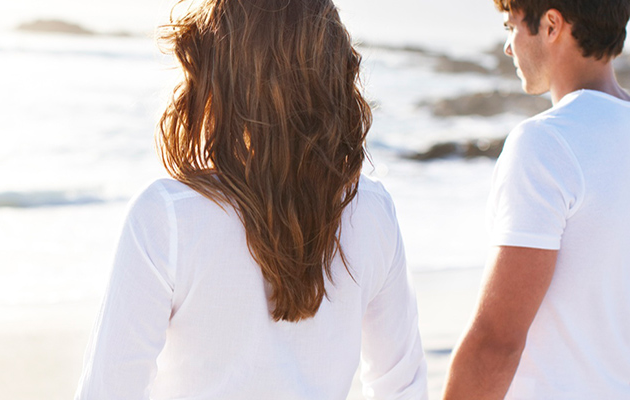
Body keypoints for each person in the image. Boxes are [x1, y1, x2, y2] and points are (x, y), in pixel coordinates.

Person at [75, 1, 428, 399]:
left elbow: (107, 390)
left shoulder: (168, 216)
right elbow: (402, 388)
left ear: (219, 77)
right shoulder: (370, 211)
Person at [443, 1, 630, 399]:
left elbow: (496, 341)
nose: (509, 47)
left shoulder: (546, 143)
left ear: (550, 25)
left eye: (511, 26)